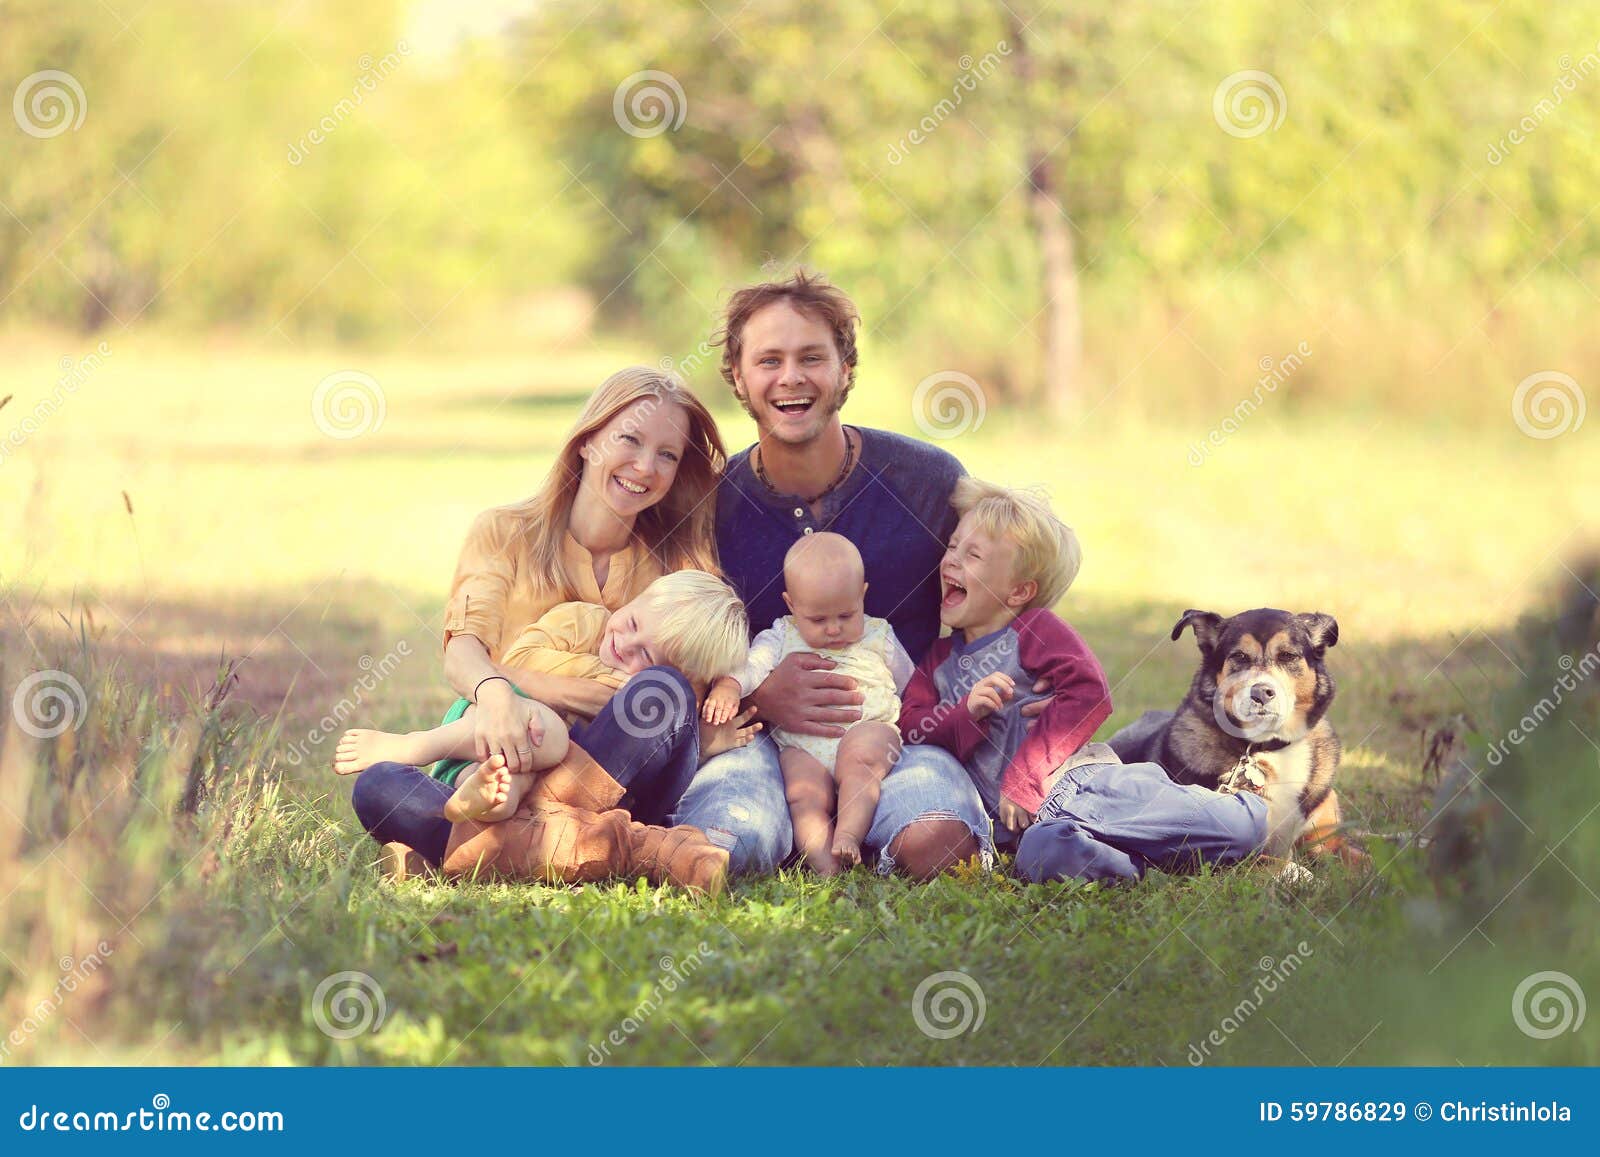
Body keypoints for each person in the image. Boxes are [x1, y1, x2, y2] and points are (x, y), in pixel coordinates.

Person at [674, 270, 1051, 880]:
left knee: (937, 846)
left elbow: (1001, 587)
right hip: (763, 742)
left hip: (901, 736)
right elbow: (674, 647)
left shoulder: (926, 480)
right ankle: (792, 831)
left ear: (845, 369)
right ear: (738, 377)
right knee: (728, 842)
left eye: (812, 357)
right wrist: (759, 694)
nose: (791, 377)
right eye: (768, 360)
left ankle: (861, 830)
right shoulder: (710, 507)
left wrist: (1040, 676)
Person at [348, 367, 759, 880]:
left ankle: (469, 846)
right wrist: (496, 694)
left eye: (668, 455)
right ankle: (595, 849)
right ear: (587, 442)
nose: (644, 466)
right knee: (380, 785)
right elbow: (464, 653)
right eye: (629, 439)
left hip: (619, 771)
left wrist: (519, 682)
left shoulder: (676, 567)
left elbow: (674, 707)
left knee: (663, 688)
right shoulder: (504, 532)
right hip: (503, 753)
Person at [896, 476, 1266, 883]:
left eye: (973, 555)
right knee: (1043, 858)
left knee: (1238, 827)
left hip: (1087, 786)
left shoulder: (1034, 629)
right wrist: (962, 714)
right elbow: (911, 725)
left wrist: (1024, 776)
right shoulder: (938, 659)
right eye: (952, 547)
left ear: (1019, 592)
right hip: (1034, 830)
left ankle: (1261, 814)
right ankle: (1144, 866)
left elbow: (1088, 692)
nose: (951, 561)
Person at [338, 569, 753, 825]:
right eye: (630, 622)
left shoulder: (653, 698)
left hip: (517, 780)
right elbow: (520, 662)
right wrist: (605, 681)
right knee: (546, 731)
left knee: (502, 786)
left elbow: (654, 752)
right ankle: (415, 745)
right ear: (633, 600)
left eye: (646, 654)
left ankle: (484, 822)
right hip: (489, 731)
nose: (624, 644)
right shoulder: (582, 620)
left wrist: (704, 745)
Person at [705, 534, 909, 874]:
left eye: (846, 615)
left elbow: (910, 684)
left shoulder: (879, 634)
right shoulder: (780, 635)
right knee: (802, 795)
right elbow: (752, 666)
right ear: (791, 604)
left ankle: (848, 835)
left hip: (867, 728)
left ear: (862, 595)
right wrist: (728, 685)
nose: (833, 629)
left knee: (860, 764)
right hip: (803, 745)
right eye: (817, 619)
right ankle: (825, 865)